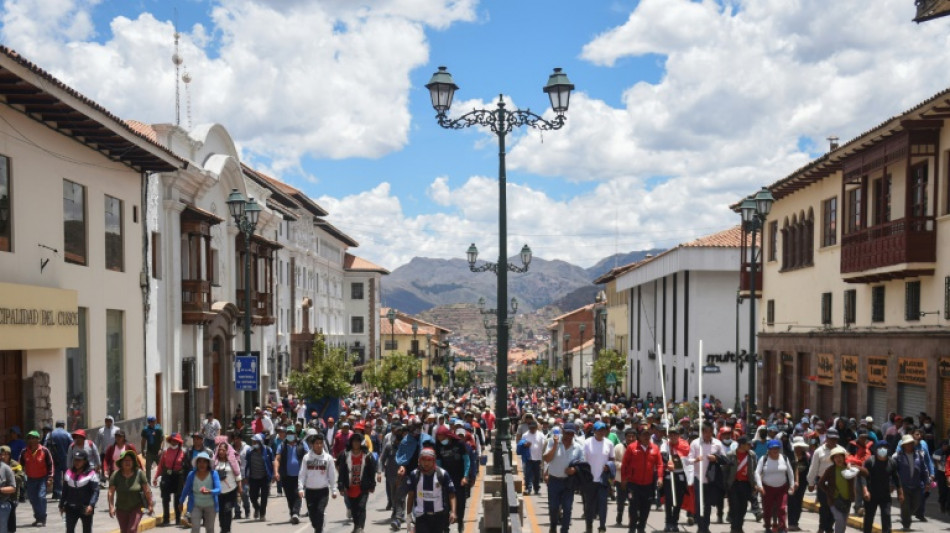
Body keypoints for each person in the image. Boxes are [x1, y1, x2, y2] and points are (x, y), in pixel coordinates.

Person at [543, 422, 584, 533]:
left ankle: (564, 530)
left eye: (571, 433)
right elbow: (546, 459)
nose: (569, 436)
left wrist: (574, 470)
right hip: (554, 481)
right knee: (554, 507)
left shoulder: (578, 447)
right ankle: (553, 526)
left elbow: (583, 464)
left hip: (568, 482)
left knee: (567, 508)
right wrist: (555, 445)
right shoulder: (553, 442)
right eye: (567, 433)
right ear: (562, 431)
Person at [621, 423, 662, 533]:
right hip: (633, 484)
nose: (646, 437)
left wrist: (660, 478)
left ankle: (641, 528)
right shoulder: (631, 447)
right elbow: (625, 464)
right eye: (644, 435)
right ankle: (632, 528)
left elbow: (659, 464)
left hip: (648, 485)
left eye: (648, 435)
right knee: (633, 507)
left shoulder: (655, 448)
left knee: (646, 508)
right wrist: (624, 479)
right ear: (639, 436)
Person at [405, 447, 457, 533]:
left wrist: (453, 512)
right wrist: (408, 514)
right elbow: (411, 495)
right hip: (421, 516)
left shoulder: (442, 474)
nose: (426, 463)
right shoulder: (414, 475)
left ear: (434, 461)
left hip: (438, 517)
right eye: (423, 460)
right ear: (419, 460)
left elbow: (452, 494)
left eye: (429, 460)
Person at [688, 422, 726, 533]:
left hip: (711, 479)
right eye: (705, 432)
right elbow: (688, 460)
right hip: (698, 478)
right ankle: (701, 527)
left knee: (708, 505)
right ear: (702, 432)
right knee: (699, 504)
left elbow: (724, 459)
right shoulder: (695, 443)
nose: (708, 434)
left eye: (710, 432)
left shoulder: (717, 444)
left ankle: (706, 526)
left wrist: (716, 458)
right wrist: (696, 460)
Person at [337, 432, 377, 533]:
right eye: (354, 441)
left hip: (363, 487)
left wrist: (372, 484)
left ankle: (360, 528)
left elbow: (372, 471)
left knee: (361, 507)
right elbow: (341, 471)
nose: (356, 443)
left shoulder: (367, 456)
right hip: (350, 487)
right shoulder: (345, 455)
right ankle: (356, 526)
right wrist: (341, 486)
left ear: (361, 443)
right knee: (354, 509)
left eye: (358, 441)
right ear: (351, 442)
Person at [298, 432, 337, 533]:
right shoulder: (307, 458)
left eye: (321, 443)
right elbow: (302, 474)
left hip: (323, 491)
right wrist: (300, 488)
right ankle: (319, 525)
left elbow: (332, 475)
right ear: (312, 444)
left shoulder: (328, 458)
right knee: (312, 516)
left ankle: (319, 529)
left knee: (320, 512)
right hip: (310, 491)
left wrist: (333, 490)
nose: (319, 445)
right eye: (316, 443)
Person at [434, 426, 470, 533]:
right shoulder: (438, 446)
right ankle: (446, 527)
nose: (441, 440)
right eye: (439, 438)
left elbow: (466, 461)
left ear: (447, 435)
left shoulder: (459, 444)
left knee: (461, 503)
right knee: (445, 505)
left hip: (459, 479)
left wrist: (465, 476)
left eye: (442, 437)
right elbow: (438, 463)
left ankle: (460, 522)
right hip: (446, 479)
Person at [755, 439, 795, 533]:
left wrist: (792, 485)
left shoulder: (784, 458)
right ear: (769, 449)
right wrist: (760, 486)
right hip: (767, 488)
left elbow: (790, 472)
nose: (775, 450)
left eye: (777, 448)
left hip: (782, 488)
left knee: (782, 508)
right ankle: (768, 527)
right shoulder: (764, 459)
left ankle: (782, 528)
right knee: (767, 508)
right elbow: (757, 472)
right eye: (773, 448)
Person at [108, 450, 153, 533]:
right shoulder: (115, 475)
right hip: (121, 508)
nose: (127, 462)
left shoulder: (139, 474)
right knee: (124, 531)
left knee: (132, 529)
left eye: (129, 460)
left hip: (137, 507)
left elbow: (147, 490)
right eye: (125, 460)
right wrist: (111, 507)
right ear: (121, 462)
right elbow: (111, 492)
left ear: (133, 462)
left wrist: (150, 504)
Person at [860, 440, 900, 533]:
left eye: (885, 448)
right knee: (869, 518)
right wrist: (865, 491)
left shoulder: (892, 462)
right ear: (876, 449)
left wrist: (900, 492)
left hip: (885, 495)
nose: (883, 449)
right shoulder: (870, 461)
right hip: (871, 494)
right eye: (880, 448)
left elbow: (896, 478)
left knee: (886, 516)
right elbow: (863, 478)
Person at [807, 428, 840, 533]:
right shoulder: (819, 451)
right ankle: (824, 528)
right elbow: (813, 468)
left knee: (835, 508)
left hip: (838, 484)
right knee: (825, 507)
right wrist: (811, 483)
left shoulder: (841, 450)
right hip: (823, 483)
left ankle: (828, 527)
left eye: (835, 439)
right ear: (827, 438)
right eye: (831, 438)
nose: (833, 441)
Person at [893, 433, 928, 531]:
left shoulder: (919, 455)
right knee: (905, 505)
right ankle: (906, 524)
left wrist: (927, 482)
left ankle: (906, 516)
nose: (910, 445)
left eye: (911, 443)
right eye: (907, 444)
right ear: (903, 445)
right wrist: (892, 484)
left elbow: (923, 469)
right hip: (903, 486)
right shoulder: (897, 456)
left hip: (916, 485)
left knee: (916, 504)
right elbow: (893, 471)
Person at [60, 449, 100, 533]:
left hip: (85, 508)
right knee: (69, 530)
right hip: (70, 507)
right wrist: (61, 504)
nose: (77, 462)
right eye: (75, 460)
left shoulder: (92, 474)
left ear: (85, 461)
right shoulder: (68, 473)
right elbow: (65, 490)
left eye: (79, 460)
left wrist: (91, 505)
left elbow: (95, 491)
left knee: (87, 530)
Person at [19, 430, 53, 527]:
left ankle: (42, 517)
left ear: (38, 439)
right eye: (29, 438)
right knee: (33, 499)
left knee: (41, 497)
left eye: (34, 438)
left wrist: (50, 477)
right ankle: (38, 517)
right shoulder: (24, 452)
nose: (31, 440)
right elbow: (20, 465)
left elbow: (50, 464)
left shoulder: (44, 451)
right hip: (30, 479)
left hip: (42, 478)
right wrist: (20, 474)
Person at [273, 423, 306, 524]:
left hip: (299, 475)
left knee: (297, 494)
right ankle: (293, 513)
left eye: (292, 433)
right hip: (286, 475)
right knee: (289, 496)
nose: (290, 435)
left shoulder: (302, 444)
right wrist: (276, 472)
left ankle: (296, 513)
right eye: (288, 433)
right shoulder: (282, 445)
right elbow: (277, 459)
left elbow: (308, 457)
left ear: (295, 434)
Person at [723, 435, 757, 533]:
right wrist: (725, 486)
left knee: (743, 507)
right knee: (734, 506)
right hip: (734, 484)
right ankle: (734, 528)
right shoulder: (730, 454)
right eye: (747, 444)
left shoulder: (752, 455)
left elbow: (754, 470)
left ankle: (739, 526)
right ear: (741, 445)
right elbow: (725, 471)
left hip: (746, 484)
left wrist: (754, 484)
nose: (750, 446)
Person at [818, 446, 855, 533]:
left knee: (844, 523)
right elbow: (820, 483)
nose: (839, 459)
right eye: (836, 457)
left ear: (843, 457)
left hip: (847, 500)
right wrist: (829, 492)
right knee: (839, 519)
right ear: (833, 459)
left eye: (840, 456)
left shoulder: (849, 468)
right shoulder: (830, 470)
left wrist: (852, 466)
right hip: (833, 501)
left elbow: (865, 472)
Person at [180, 452, 220, 533]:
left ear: (208, 463)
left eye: (204, 462)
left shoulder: (213, 474)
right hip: (195, 505)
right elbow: (186, 489)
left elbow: (218, 489)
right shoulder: (191, 475)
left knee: (210, 529)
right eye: (200, 462)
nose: (202, 464)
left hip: (210, 506)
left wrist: (210, 491)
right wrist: (181, 501)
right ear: (197, 463)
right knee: (195, 528)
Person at [153, 433, 187, 526]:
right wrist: (156, 477)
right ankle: (166, 519)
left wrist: (186, 480)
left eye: (175, 440)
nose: (173, 441)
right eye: (172, 440)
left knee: (178, 498)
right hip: (167, 477)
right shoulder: (165, 452)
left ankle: (177, 519)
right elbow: (161, 465)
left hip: (178, 477)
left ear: (179, 442)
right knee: (165, 498)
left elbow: (186, 467)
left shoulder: (183, 452)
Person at [242, 433, 274, 521]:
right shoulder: (250, 452)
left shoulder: (268, 450)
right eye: (253, 442)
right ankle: (257, 508)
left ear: (261, 442)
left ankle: (262, 514)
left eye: (256, 442)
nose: (254, 443)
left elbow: (272, 463)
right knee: (252, 497)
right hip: (253, 478)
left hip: (265, 478)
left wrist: (274, 475)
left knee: (264, 497)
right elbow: (247, 465)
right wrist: (245, 477)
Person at [212, 442, 242, 533]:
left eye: (223, 450)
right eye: (220, 450)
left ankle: (227, 529)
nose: (221, 452)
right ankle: (223, 528)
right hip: (219, 492)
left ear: (227, 451)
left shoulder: (232, 462)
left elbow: (238, 475)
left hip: (231, 490)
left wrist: (240, 488)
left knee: (227, 510)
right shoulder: (215, 463)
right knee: (221, 512)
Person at [787, 437, 810, 532]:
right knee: (791, 503)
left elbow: (809, 470)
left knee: (799, 503)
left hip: (803, 484)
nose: (798, 449)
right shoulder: (790, 457)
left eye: (800, 447)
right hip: (791, 484)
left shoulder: (807, 457)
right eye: (797, 447)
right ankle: (791, 523)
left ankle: (796, 523)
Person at [48, 421, 72, 500]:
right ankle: (67, 492)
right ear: (63, 425)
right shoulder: (67, 434)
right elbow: (72, 445)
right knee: (67, 475)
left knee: (56, 476)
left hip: (54, 458)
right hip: (65, 458)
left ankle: (57, 493)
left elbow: (45, 446)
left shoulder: (50, 434)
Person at [521, 420, 545, 496]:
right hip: (528, 458)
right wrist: (525, 445)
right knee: (527, 474)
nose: (532, 429)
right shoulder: (525, 435)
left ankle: (536, 488)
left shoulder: (541, 435)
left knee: (537, 475)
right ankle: (528, 488)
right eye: (531, 428)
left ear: (536, 428)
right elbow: (521, 446)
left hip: (538, 458)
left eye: (534, 428)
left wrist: (543, 459)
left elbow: (543, 446)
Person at [0, 446, 18, 533]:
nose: (3, 456)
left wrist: (1, 489)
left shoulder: (6, 468)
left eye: (5, 454)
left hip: (3, 503)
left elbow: (13, 487)